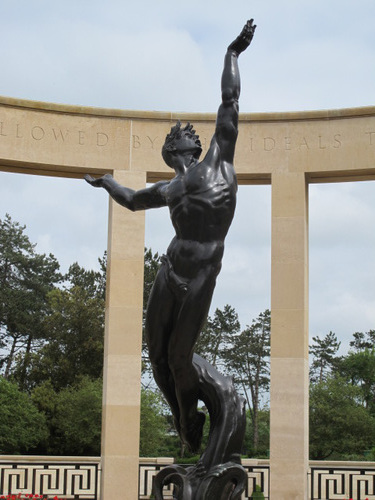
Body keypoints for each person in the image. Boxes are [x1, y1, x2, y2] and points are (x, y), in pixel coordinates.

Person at [85, 19, 256, 452]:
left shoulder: (218, 162)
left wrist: (232, 54)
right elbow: (130, 199)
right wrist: (106, 182)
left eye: (174, 139)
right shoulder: (168, 188)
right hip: (168, 272)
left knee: (180, 359)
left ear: (183, 148)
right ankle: (186, 423)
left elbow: (229, 101)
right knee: (157, 358)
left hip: (200, 276)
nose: (173, 142)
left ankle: (191, 421)